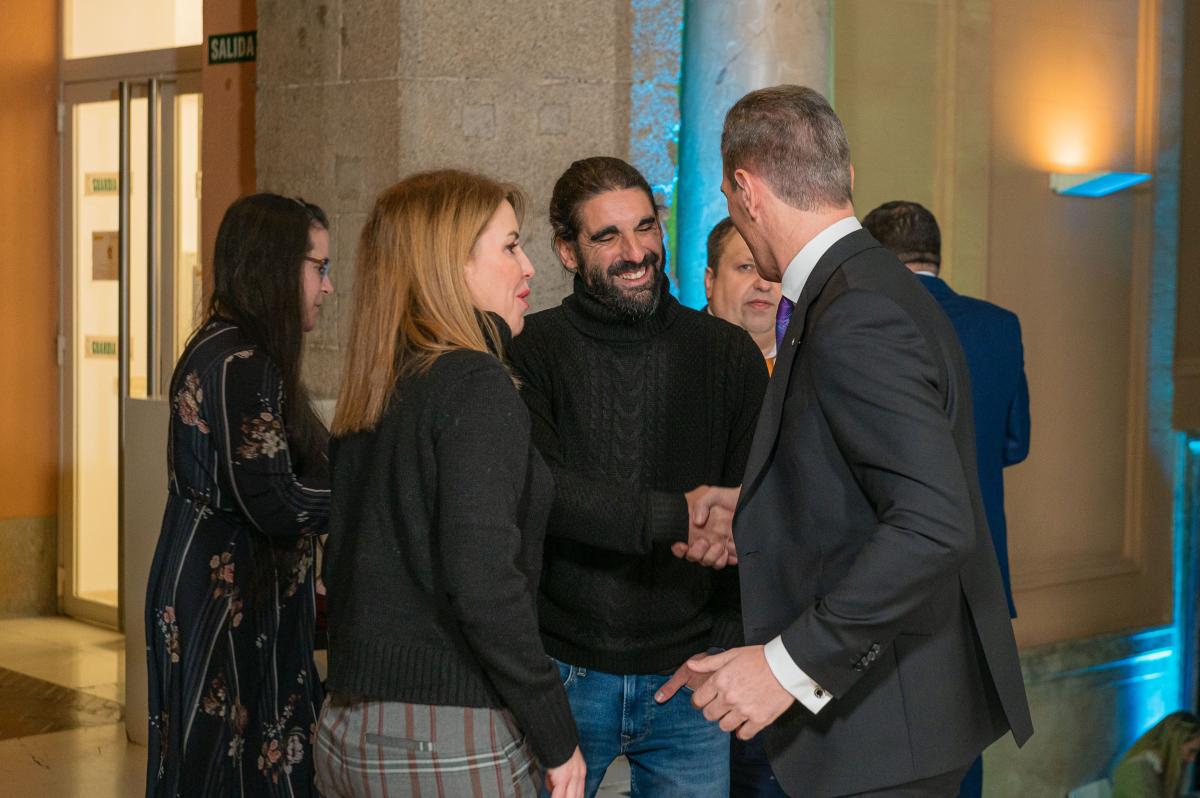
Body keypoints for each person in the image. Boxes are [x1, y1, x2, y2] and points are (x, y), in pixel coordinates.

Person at [678, 85, 1033, 797]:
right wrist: (756, 503)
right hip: (898, 719)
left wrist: (784, 665)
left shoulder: (857, 309)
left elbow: (934, 522)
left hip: (885, 730)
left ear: (748, 190)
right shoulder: (867, 287)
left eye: (724, 196)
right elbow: (874, 482)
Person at [314, 170, 585, 798]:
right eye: (511, 246)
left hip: (347, 726)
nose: (529, 271)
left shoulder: (384, 381)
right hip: (442, 739)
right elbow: (485, 582)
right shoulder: (474, 383)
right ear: (452, 265)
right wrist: (555, 732)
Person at [506, 156, 768, 797]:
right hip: (562, 674)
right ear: (567, 252)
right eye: (608, 236)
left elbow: (755, 510)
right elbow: (546, 494)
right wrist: (677, 512)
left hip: (691, 680)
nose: (635, 252)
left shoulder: (727, 354)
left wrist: (727, 646)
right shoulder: (528, 350)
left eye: (646, 228)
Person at [145, 193, 335, 797]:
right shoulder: (243, 361)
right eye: (319, 268)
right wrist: (376, 493)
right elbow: (275, 504)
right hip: (226, 602)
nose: (328, 288)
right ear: (276, 267)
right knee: (232, 772)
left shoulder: (230, 347)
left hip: (226, 590)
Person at [863, 200, 1032, 798]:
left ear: (876, 259)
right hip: (983, 574)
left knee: (892, 753)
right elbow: (1015, 443)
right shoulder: (999, 325)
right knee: (966, 744)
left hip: (895, 573)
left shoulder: (868, 325)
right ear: (936, 255)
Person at [704, 216, 783, 373]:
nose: (764, 284)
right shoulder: (675, 357)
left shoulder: (815, 360)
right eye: (746, 267)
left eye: (776, 270)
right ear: (710, 281)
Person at [1113, 712, 1200, 798]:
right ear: (1174, 744)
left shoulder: (1155, 768)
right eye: (1191, 751)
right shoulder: (1136, 772)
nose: (1192, 759)